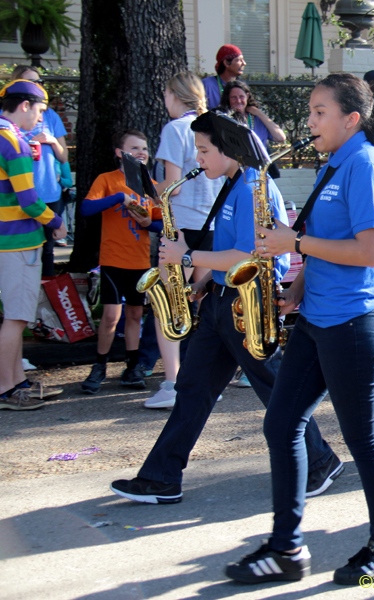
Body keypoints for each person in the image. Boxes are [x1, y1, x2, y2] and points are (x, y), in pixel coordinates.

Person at [223, 73, 374, 586]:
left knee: (362, 437)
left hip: (353, 323)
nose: (309, 122)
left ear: (351, 119)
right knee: (281, 424)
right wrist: (299, 287)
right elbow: (326, 239)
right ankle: (286, 548)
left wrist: (295, 245)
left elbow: (371, 252)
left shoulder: (366, 164)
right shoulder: (333, 163)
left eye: (318, 112)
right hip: (316, 319)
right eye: (309, 112)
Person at [109, 111, 341, 505]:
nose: (197, 159)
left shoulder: (255, 186)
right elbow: (224, 252)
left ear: (228, 149)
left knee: (276, 391)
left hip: (245, 304)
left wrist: (187, 256)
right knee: (193, 390)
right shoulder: (232, 183)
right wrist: (199, 282)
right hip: (220, 302)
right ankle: (162, 476)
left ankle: (319, 462)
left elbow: (250, 254)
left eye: (203, 150)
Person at [140, 72, 223, 409]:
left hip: (183, 224)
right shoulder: (216, 125)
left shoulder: (175, 130)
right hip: (214, 223)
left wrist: (142, 184)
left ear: (174, 96)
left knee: (169, 305)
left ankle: (173, 382)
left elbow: (169, 186)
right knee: (208, 305)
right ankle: (209, 378)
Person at [0, 79, 66, 410]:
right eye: (40, 110)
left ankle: (17, 383)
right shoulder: (13, 140)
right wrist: (56, 222)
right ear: (24, 105)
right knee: (16, 318)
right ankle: (7, 390)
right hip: (17, 242)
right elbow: (29, 200)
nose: (41, 119)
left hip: (6, 241)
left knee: (14, 316)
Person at [79, 130, 162, 394]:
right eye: (134, 148)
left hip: (139, 262)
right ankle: (100, 366)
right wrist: (119, 198)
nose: (141, 153)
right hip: (113, 260)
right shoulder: (107, 180)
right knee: (111, 316)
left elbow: (162, 223)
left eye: (145, 149)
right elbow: (86, 209)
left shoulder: (149, 184)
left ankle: (132, 366)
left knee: (136, 314)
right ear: (119, 153)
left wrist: (150, 222)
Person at [12, 66, 68, 278]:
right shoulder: (6, 119)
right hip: (19, 195)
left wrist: (52, 141)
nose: (37, 85)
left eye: (39, 81)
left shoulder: (51, 116)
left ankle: (45, 300)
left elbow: (63, 157)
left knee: (47, 249)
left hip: (48, 192)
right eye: (31, 81)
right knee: (20, 251)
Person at [218, 80, 286, 145]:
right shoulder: (223, 118)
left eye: (241, 97)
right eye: (233, 97)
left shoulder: (257, 118)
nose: (238, 101)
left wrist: (259, 113)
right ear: (228, 99)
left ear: (247, 96)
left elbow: (280, 138)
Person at [202, 44, 245, 110]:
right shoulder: (207, 85)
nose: (244, 63)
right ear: (226, 63)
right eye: (238, 60)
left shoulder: (242, 85)